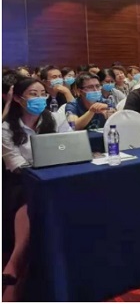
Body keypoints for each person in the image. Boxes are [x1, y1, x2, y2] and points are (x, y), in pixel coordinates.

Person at [2, 77, 70, 300]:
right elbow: (16, 165)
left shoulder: (54, 119)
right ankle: (15, 262)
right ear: (18, 98)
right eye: (33, 94)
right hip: (22, 182)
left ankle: (14, 268)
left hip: (56, 177)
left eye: (42, 94)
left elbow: (71, 143)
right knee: (30, 199)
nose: (39, 98)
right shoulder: (5, 128)